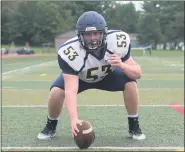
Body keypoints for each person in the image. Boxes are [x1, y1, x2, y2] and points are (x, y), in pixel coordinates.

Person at [37, 11, 146, 141]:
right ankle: (51, 125)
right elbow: (70, 90)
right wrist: (74, 119)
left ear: (104, 33)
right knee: (56, 92)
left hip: (108, 75)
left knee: (131, 84)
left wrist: (122, 65)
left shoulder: (117, 41)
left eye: (96, 33)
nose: (93, 38)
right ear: (80, 35)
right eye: (88, 34)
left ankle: (134, 125)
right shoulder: (70, 52)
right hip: (81, 77)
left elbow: (138, 73)